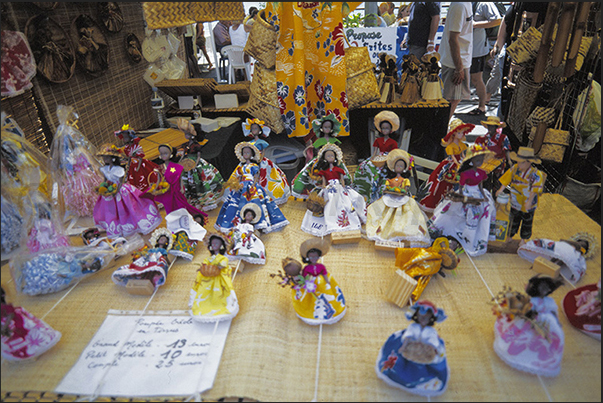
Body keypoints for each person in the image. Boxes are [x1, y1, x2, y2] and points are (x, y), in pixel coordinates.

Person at [428, 144, 496, 257]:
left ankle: (471, 239)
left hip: (478, 194)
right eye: (476, 160)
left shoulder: (482, 173)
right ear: (470, 160)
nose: (479, 162)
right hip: (465, 192)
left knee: (484, 210)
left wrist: (483, 196)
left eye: (481, 160)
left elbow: (480, 186)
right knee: (454, 213)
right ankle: (450, 235)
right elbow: (461, 186)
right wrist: (460, 196)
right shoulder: (465, 173)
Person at [492, 274, 565, 377]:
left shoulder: (543, 303)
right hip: (530, 322)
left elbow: (550, 312)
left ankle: (521, 353)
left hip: (537, 324)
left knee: (530, 338)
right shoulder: (545, 302)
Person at [375, 300, 449, 397]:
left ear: (431, 319)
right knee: (397, 359)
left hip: (425, 354)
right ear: (416, 316)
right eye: (420, 317)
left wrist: (431, 350)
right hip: (409, 349)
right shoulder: (413, 327)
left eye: (426, 318)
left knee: (427, 366)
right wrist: (403, 347)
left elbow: (433, 343)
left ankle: (423, 381)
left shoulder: (431, 331)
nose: (423, 320)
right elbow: (407, 337)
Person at [215, 141, 289, 234]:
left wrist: (254, 185)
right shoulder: (241, 166)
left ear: (252, 154)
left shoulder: (253, 166)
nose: (246, 154)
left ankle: (258, 223)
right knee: (235, 203)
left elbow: (256, 176)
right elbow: (239, 176)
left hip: (251, 185)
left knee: (256, 202)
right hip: (242, 185)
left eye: (248, 152)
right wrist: (237, 184)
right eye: (244, 153)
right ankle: (236, 223)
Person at [93, 144, 162, 239]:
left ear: (113, 158)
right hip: (110, 191)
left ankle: (134, 224)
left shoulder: (119, 169)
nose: (104, 159)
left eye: (106, 157)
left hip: (120, 191)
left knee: (129, 208)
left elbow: (121, 182)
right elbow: (105, 180)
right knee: (112, 211)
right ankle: (118, 228)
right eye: (103, 157)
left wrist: (115, 190)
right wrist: (102, 187)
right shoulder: (104, 169)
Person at [365, 149, 430, 246]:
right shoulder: (390, 179)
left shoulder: (404, 180)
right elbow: (387, 186)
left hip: (403, 198)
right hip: (389, 197)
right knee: (381, 208)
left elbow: (407, 188)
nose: (399, 167)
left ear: (404, 168)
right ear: (393, 167)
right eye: (397, 165)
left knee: (408, 212)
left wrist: (403, 189)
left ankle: (402, 230)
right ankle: (385, 227)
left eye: (401, 166)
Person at [275, 238, 346, 326]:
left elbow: (324, 273)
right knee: (314, 298)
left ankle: (330, 309)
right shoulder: (306, 269)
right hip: (310, 284)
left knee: (326, 294)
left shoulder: (320, 267)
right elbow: (305, 276)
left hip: (320, 283)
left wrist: (327, 281)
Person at [300, 143, 366, 237]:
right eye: (328, 156)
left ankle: (348, 221)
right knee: (329, 204)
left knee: (346, 203)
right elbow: (323, 182)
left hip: (339, 187)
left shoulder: (338, 169)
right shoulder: (324, 172)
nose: (330, 157)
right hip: (329, 188)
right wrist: (323, 188)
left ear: (335, 157)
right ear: (324, 158)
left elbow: (342, 179)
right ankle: (332, 223)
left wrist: (343, 186)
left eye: (332, 155)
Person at [291, 114, 352, 199]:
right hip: (320, 160)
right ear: (321, 128)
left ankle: (342, 189)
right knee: (308, 172)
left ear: (332, 128)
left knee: (342, 171)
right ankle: (310, 192)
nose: (327, 129)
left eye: (329, 127)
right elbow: (316, 150)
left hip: (333, 160)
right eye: (325, 127)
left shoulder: (334, 140)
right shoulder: (319, 141)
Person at [418, 119, 471, 213]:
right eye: (459, 133)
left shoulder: (462, 145)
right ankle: (438, 204)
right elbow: (453, 156)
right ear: (454, 133)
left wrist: (464, 160)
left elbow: (462, 154)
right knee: (441, 182)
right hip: (452, 163)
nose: (461, 135)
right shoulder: (451, 146)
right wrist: (458, 163)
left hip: (460, 162)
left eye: (462, 133)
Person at [495, 147, 545, 245]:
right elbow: (506, 179)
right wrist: (501, 189)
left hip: (528, 203)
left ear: (529, 162)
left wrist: (529, 201)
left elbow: (535, 189)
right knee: (513, 219)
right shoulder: (514, 169)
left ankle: (523, 239)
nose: (519, 164)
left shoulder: (535, 174)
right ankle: (509, 236)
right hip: (515, 201)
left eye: (522, 162)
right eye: (518, 162)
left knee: (527, 222)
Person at [150, 144, 208, 221]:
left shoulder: (175, 166)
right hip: (167, 190)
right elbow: (158, 179)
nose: (163, 155)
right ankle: (173, 219)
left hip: (176, 188)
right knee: (169, 205)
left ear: (171, 154)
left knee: (181, 204)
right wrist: (155, 187)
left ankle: (186, 217)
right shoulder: (160, 167)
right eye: (161, 153)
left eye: (166, 153)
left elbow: (180, 176)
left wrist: (181, 186)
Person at [1, 287, 62, 362]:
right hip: (6, 326)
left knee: (25, 336)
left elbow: (11, 314)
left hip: (15, 323)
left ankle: (35, 350)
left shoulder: (4, 307)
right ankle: (25, 352)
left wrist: (5, 326)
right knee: (13, 341)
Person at [189, 232, 239, 322]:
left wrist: (214, 267)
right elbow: (204, 265)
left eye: (217, 243)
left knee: (220, 294)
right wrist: (206, 268)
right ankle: (203, 307)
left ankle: (219, 307)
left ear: (221, 245)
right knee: (204, 293)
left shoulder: (223, 258)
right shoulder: (208, 259)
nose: (214, 245)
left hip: (218, 280)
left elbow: (223, 265)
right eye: (213, 243)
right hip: (207, 279)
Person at [176, 118, 224, 211]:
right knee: (186, 182)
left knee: (200, 181)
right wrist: (180, 161)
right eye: (185, 134)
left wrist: (195, 164)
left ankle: (205, 201)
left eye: (187, 134)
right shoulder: (186, 145)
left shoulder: (195, 145)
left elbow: (198, 155)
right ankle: (192, 201)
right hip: (187, 163)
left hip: (195, 164)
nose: (186, 136)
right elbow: (183, 154)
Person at [353, 110, 400, 204]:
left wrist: (390, 160)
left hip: (389, 157)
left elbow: (394, 153)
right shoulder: (378, 140)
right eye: (383, 128)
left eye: (387, 128)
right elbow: (375, 151)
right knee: (365, 166)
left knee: (382, 172)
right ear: (380, 130)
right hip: (379, 157)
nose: (385, 130)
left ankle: (379, 191)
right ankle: (363, 190)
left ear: (390, 130)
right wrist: (372, 158)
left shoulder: (393, 142)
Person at [240, 118, 290, 205]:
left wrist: (260, 158)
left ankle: (266, 195)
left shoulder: (261, 142)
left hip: (261, 161)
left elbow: (263, 151)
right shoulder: (250, 142)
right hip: (252, 161)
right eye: (252, 129)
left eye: (256, 128)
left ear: (260, 130)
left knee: (267, 177)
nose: (254, 130)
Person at [517, 232, 597, 285]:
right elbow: (558, 246)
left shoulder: (579, 255)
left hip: (566, 257)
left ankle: (551, 271)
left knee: (560, 262)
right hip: (560, 251)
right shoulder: (568, 244)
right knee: (554, 256)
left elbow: (576, 260)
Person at [439, 2, 473, 123]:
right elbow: (453, 39)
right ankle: (441, 132)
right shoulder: (460, 5)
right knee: (452, 100)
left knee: (453, 100)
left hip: (459, 60)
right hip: (455, 63)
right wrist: (459, 68)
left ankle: (442, 129)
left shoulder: (464, 4)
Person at [467, 2, 502, 116]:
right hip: (467, 48)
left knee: (476, 78)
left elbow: (497, 20)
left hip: (477, 49)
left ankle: (482, 106)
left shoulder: (485, 3)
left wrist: (474, 25)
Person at [114, 124, 158, 193]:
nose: (124, 139)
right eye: (124, 137)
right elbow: (129, 158)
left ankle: (144, 188)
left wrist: (138, 166)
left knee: (142, 175)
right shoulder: (127, 148)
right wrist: (128, 164)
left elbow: (140, 158)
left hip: (138, 163)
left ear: (131, 137)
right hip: (132, 164)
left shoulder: (137, 147)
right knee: (133, 177)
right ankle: (135, 190)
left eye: (126, 137)